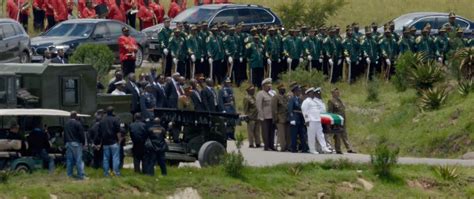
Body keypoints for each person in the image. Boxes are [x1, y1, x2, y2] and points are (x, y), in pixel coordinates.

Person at [301, 88, 330, 154]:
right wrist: (307, 120)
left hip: (317, 120)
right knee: (311, 135)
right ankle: (312, 149)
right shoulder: (306, 101)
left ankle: (324, 147)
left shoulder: (314, 101)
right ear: (308, 94)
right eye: (311, 92)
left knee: (321, 135)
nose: (313, 94)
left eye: (313, 92)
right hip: (311, 121)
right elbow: (304, 111)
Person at [327, 88, 355, 154]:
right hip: (337, 120)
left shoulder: (340, 101)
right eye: (336, 92)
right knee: (338, 135)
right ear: (333, 93)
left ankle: (349, 148)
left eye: (338, 92)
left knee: (344, 134)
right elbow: (330, 112)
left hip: (343, 120)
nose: (338, 94)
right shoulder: (331, 101)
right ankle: (338, 149)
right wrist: (332, 121)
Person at [97, 107, 122, 177]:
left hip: (105, 142)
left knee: (105, 158)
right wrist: (119, 140)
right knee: (115, 158)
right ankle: (116, 173)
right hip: (114, 142)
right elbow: (118, 131)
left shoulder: (102, 121)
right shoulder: (115, 120)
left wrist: (100, 142)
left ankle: (106, 173)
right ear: (113, 112)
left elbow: (100, 133)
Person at [64, 111, 86, 179]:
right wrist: (83, 142)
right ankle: (81, 175)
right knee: (79, 160)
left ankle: (69, 174)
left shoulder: (66, 124)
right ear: (76, 116)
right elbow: (81, 134)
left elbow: (64, 134)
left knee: (69, 160)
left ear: (70, 116)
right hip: (76, 143)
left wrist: (65, 143)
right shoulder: (78, 123)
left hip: (68, 143)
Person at [288, 84, 308, 153]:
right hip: (295, 118)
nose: (299, 92)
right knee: (294, 135)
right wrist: (292, 119)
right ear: (295, 91)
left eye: (299, 91)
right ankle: (293, 148)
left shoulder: (299, 99)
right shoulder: (292, 99)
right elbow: (290, 109)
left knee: (302, 134)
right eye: (298, 91)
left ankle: (304, 148)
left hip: (301, 119)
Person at [256, 78, 275, 151]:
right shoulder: (260, 93)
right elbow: (259, 106)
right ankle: (266, 146)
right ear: (263, 86)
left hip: (272, 116)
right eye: (268, 86)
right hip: (264, 116)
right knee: (265, 132)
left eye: (270, 86)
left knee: (271, 131)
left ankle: (271, 145)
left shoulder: (272, 93)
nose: (269, 87)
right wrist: (261, 116)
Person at [271, 84, 290, 152]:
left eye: (284, 88)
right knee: (281, 134)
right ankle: (283, 147)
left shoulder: (286, 97)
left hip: (287, 118)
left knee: (288, 134)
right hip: (280, 118)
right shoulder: (276, 97)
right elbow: (274, 109)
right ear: (279, 90)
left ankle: (288, 147)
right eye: (282, 89)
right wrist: (275, 118)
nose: (284, 90)